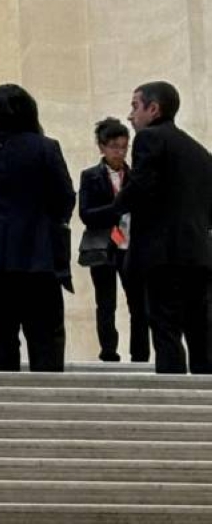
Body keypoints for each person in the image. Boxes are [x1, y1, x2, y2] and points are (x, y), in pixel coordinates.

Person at [89, 81, 212, 374]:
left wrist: (109, 212)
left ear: (153, 109)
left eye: (135, 106)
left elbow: (140, 187)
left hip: (162, 256)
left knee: (165, 329)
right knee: (200, 332)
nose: (131, 116)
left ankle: (175, 401)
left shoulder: (150, 139)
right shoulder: (200, 152)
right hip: (199, 254)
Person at [0, 83, 75, 372]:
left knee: (0, 342)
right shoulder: (45, 148)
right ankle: (47, 407)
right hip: (37, 258)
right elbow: (65, 198)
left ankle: (7, 408)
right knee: (46, 340)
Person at [77, 117, 150, 363]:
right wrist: (116, 208)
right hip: (103, 246)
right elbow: (86, 214)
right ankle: (109, 351)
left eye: (123, 147)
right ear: (101, 147)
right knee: (106, 303)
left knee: (139, 304)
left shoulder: (136, 176)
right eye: (113, 146)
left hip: (133, 246)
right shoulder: (90, 176)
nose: (119, 152)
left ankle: (140, 354)